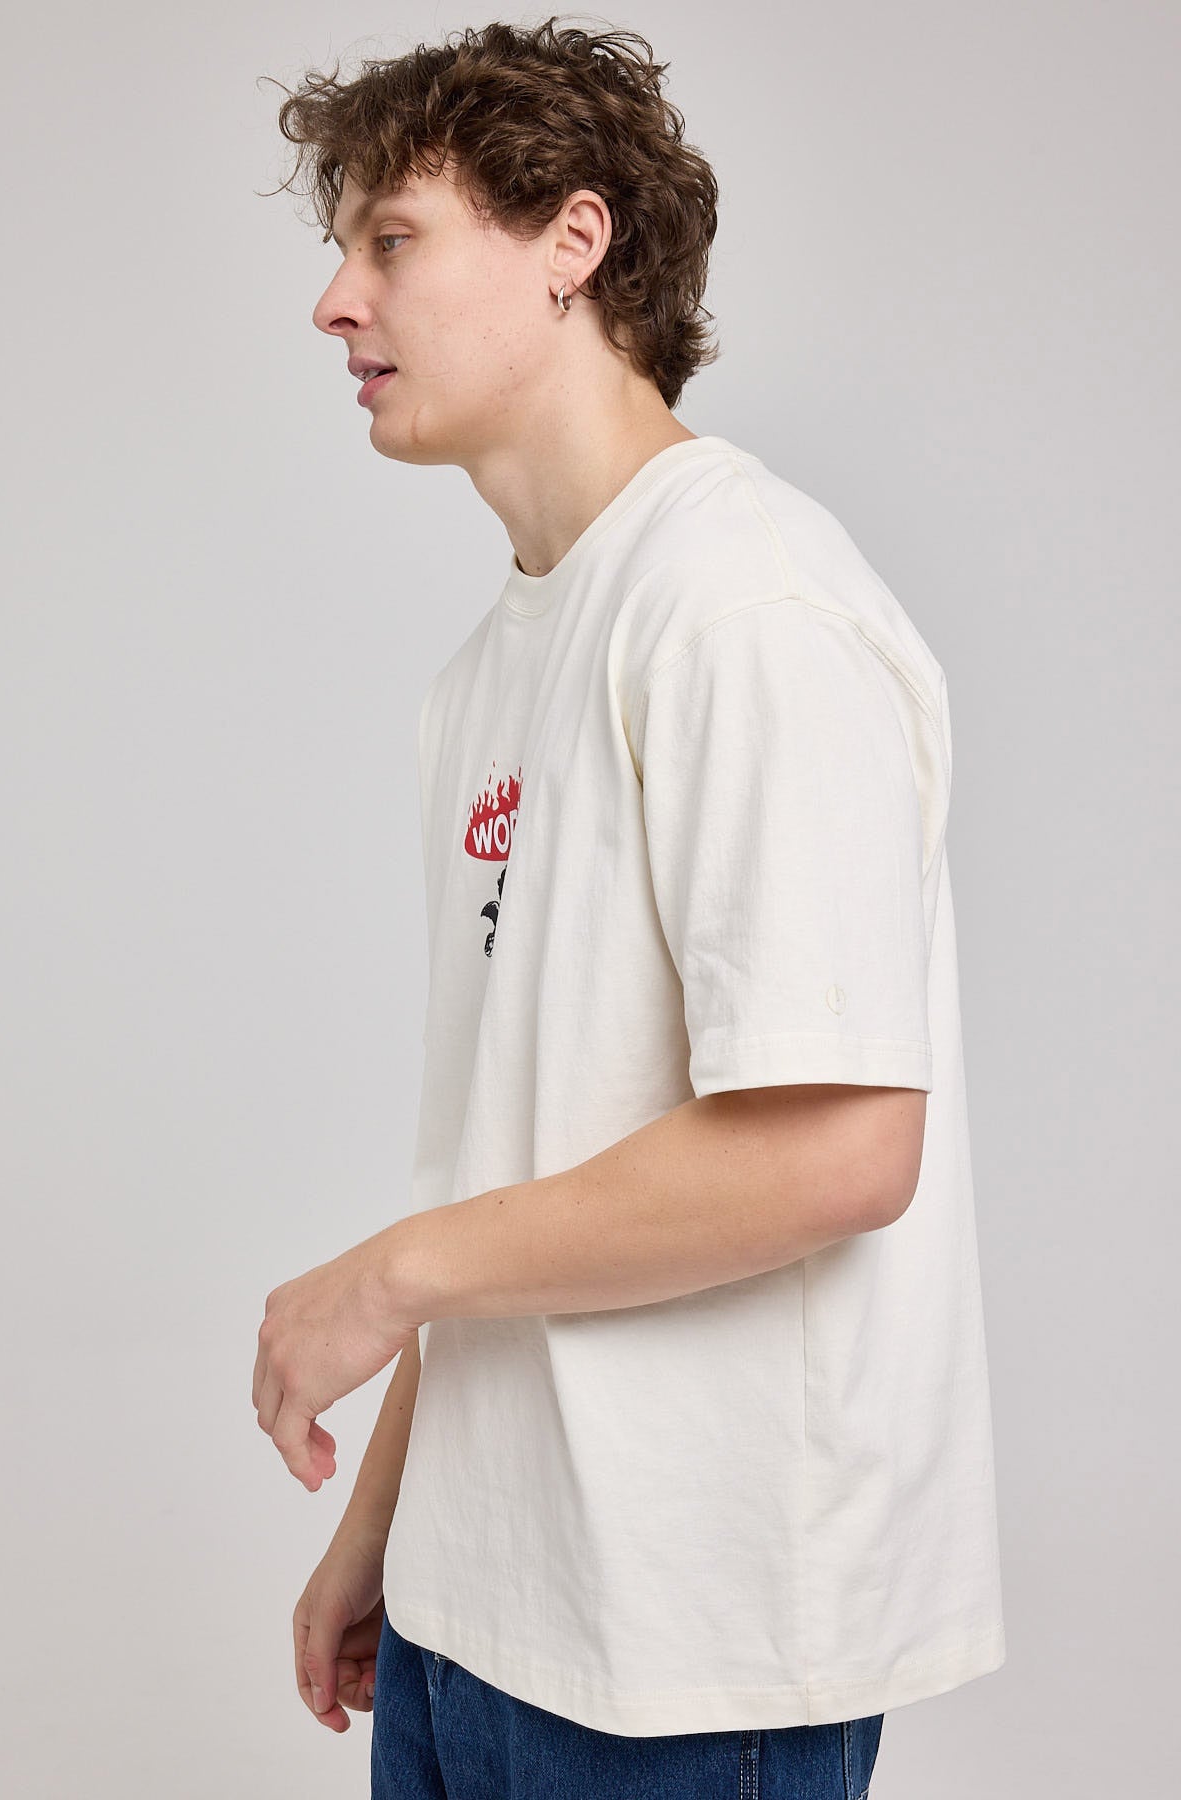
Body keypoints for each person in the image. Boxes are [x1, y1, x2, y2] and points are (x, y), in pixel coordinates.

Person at [253, 18, 1006, 1798]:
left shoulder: (743, 609)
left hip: (686, 1661)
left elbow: (836, 1151)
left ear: (572, 242)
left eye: (391, 240)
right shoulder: (490, 671)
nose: (336, 304)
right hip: (471, 1622)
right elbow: (525, 1160)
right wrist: (389, 1518)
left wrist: (384, 1278)